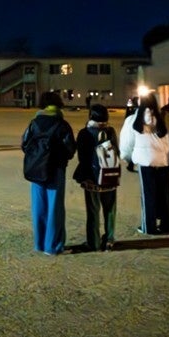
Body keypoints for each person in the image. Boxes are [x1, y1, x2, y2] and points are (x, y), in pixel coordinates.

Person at [21, 90, 76, 255]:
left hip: (36, 170)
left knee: (39, 206)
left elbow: (25, 144)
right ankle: (53, 246)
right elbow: (70, 149)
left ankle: (39, 243)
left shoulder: (34, 123)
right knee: (54, 208)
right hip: (56, 170)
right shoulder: (62, 124)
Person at [119, 92, 169, 235]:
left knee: (148, 195)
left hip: (145, 162)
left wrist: (128, 158)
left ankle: (149, 226)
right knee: (164, 195)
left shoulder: (133, 120)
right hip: (162, 161)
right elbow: (168, 143)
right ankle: (166, 225)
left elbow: (127, 143)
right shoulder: (160, 119)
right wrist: (164, 156)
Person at [72, 104, 119, 251]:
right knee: (110, 210)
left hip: (92, 178)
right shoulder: (110, 131)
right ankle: (109, 240)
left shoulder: (85, 133)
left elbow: (82, 157)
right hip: (110, 176)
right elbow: (116, 151)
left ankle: (94, 242)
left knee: (93, 211)